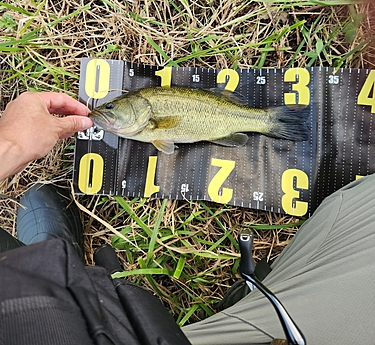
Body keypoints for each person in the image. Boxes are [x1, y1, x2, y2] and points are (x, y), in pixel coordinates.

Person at [1, 91, 375, 344]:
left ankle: (46, 257)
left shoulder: (153, 119)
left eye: (113, 111)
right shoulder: (148, 124)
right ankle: (48, 259)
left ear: (142, 113)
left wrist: (12, 145)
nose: (105, 116)